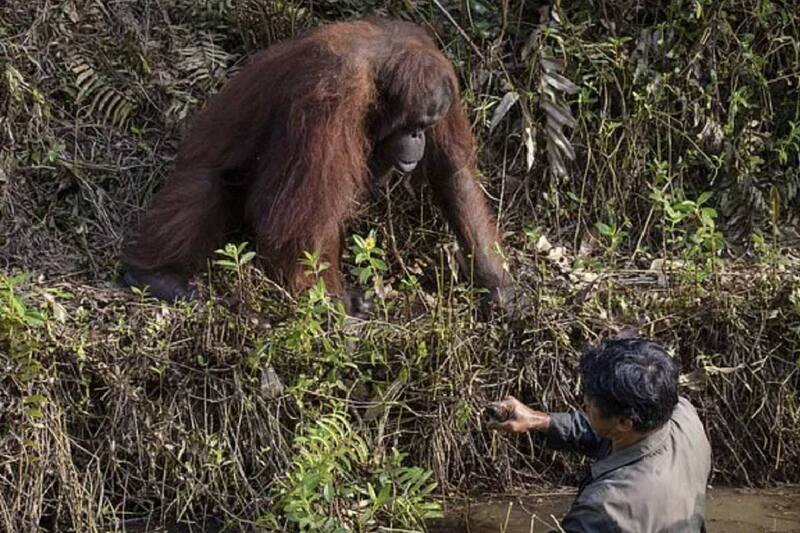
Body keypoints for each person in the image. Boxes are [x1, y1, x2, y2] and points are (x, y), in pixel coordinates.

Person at [489, 338, 712, 533]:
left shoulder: (606, 507)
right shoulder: (682, 414)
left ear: (624, 422)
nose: (585, 401)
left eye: (591, 402)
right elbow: (608, 431)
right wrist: (538, 420)